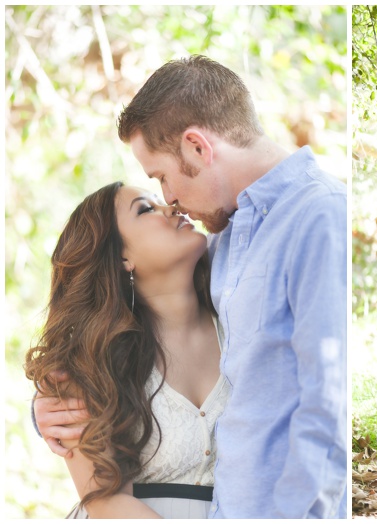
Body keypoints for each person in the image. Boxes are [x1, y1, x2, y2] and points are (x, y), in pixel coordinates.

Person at [34, 55, 347, 518]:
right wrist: (47, 412)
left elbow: (329, 402)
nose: (169, 200)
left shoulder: (318, 217)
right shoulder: (222, 242)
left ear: (198, 147)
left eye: (161, 177)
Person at [26, 182, 228, 518]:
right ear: (122, 258)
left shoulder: (240, 324)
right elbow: (103, 500)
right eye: (146, 209)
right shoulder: (87, 366)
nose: (172, 207)